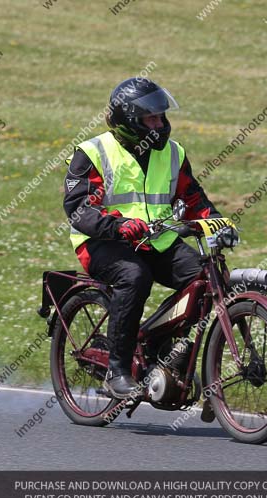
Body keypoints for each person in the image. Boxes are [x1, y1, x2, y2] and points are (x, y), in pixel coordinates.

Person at [63, 78, 222, 399]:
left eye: (162, 117)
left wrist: (217, 224)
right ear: (130, 121)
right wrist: (117, 227)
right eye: (152, 118)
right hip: (102, 244)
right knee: (135, 276)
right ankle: (117, 370)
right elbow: (78, 210)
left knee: (205, 279)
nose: (160, 124)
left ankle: (159, 350)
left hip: (155, 241)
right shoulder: (93, 152)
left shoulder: (173, 153)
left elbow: (194, 200)